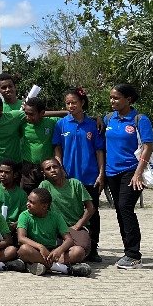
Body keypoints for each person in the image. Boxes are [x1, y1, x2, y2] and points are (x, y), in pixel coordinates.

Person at [105, 83, 153, 270]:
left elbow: (148, 146)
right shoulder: (108, 118)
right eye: (111, 97)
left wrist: (138, 173)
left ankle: (134, 255)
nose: (113, 101)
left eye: (117, 98)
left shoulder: (140, 119)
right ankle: (128, 251)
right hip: (112, 172)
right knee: (120, 210)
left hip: (131, 171)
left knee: (126, 208)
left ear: (128, 99)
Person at [53, 87, 105, 263]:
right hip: (68, 178)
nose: (70, 106)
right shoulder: (61, 124)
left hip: (90, 177)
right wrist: (59, 167)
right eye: (67, 103)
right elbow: (57, 148)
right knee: (67, 211)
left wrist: (101, 174)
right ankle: (67, 244)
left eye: (74, 102)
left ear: (82, 103)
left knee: (93, 212)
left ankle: (93, 248)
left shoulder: (93, 124)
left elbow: (99, 151)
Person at [16, 188, 90, 276]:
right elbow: (21, 238)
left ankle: (38, 265)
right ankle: (63, 269)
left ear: (44, 206)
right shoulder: (24, 215)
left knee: (78, 251)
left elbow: (69, 240)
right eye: (28, 201)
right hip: (34, 250)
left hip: (51, 252)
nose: (28, 204)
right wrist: (40, 247)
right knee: (24, 249)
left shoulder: (56, 217)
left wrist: (59, 250)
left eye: (32, 202)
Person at [39, 157, 96, 256]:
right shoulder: (44, 185)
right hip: (54, 228)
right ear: (43, 173)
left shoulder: (75, 184)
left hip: (75, 227)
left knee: (81, 249)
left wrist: (78, 225)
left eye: (55, 167)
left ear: (61, 168)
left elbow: (90, 208)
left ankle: (55, 258)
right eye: (48, 169)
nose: (52, 170)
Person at [21, 97, 58, 191]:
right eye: (26, 113)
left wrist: (96, 118)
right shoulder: (22, 124)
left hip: (47, 166)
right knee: (28, 192)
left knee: (48, 192)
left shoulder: (52, 122)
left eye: (31, 114)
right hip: (28, 167)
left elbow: (71, 117)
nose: (28, 117)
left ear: (42, 113)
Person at [0, 159, 28, 229]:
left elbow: (25, 215)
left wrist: (16, 224)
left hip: (14, 228)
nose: (3, 174)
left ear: (15, 175)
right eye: (1, 171)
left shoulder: (22, 195)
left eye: (7, 172)